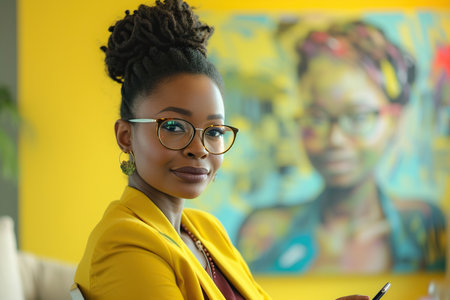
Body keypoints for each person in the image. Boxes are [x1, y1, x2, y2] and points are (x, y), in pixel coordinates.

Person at [73, 1, 370, 299]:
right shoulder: (125, 244)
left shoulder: (205, 231)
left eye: (214, 131)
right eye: (174, 127)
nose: (199, 149)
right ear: (126, 136)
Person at [237, 20, 446, 274]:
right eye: (316, 116)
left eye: (358, 117)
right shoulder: (264, 232)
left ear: (395, 121)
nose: (335, 138)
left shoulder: (424, 227)